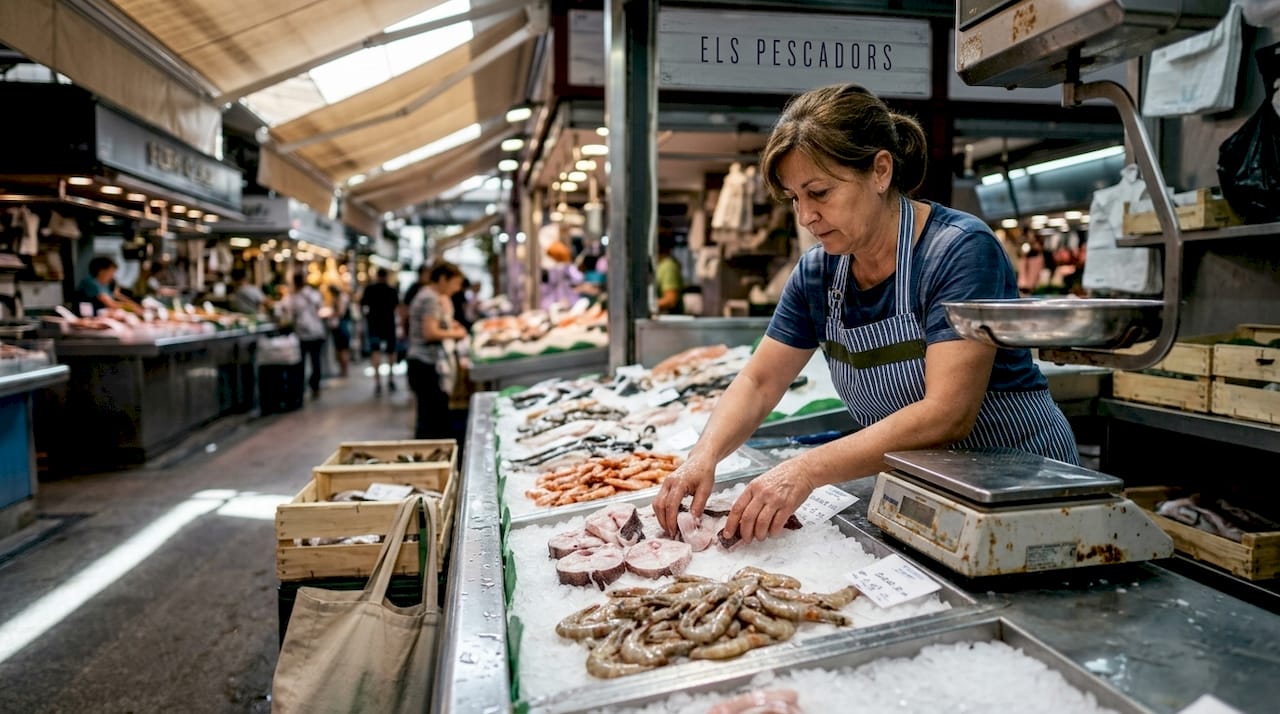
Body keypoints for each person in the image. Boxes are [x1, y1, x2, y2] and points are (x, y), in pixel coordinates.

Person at [654, 83, 1078, 545]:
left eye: (819, 192)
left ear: (880, 170)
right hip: (924, 491)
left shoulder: (958, 250)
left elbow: (947, 413)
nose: (806, 216)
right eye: (795, 198)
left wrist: (805, 469)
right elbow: (759, 382)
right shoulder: (818, 273)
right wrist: (704, 455)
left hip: (1021, 489)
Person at [406, 260, 467, 439]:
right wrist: (457, 334)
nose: (456, 289)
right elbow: (430, 332)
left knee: (430, 418)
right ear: (442, 279)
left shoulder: (431, 296)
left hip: (425, 364)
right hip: (425, 365)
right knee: (431, 421)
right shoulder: (430, 298)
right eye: (455, 283)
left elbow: (436, 324)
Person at [285, 274, 326, 398]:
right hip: (316, 331)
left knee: (300, 363)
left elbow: (290, 313)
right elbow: (320, 308)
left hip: (302, 334)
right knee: (316, 361)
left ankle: (300, 389)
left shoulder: (294, 297)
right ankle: (315, 387)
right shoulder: (314, 294)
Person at [360, 268, 400, 394]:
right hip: (389, 324)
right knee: (391, 352)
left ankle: (378, 383)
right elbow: (396, 306)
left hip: (374, 325)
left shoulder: (370, 289)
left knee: (375, 352)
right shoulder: (391, 290)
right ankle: (390, 379)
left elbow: (362, 304)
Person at [73, 256, 138, 313]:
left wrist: (134, 305)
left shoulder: (106, 284)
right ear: (101, 271)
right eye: (111, 272)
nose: (112, 276)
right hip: (87, 319)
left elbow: (117, 295)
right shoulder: (90, 283)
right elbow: (111, 304)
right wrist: (133, 308)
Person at [540, 240, 583, 310]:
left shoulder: (566, 268)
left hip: (567, 298)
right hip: (558, 299)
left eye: (551, 256)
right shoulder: (556, 268)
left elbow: (578, 279)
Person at [327, 284, 353, 378]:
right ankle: (343, 370)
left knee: (342, 350)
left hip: (341, 327)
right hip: (342, 327)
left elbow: (340, 313)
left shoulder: (340, 298)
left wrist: (331, 314)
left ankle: (344, 371)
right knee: (341, 350)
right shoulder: (342, 297)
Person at [655, 231, 683, 314]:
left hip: (671, 322)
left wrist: (645, 306)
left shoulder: (668, 266)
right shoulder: (659, 265)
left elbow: (671, 300)